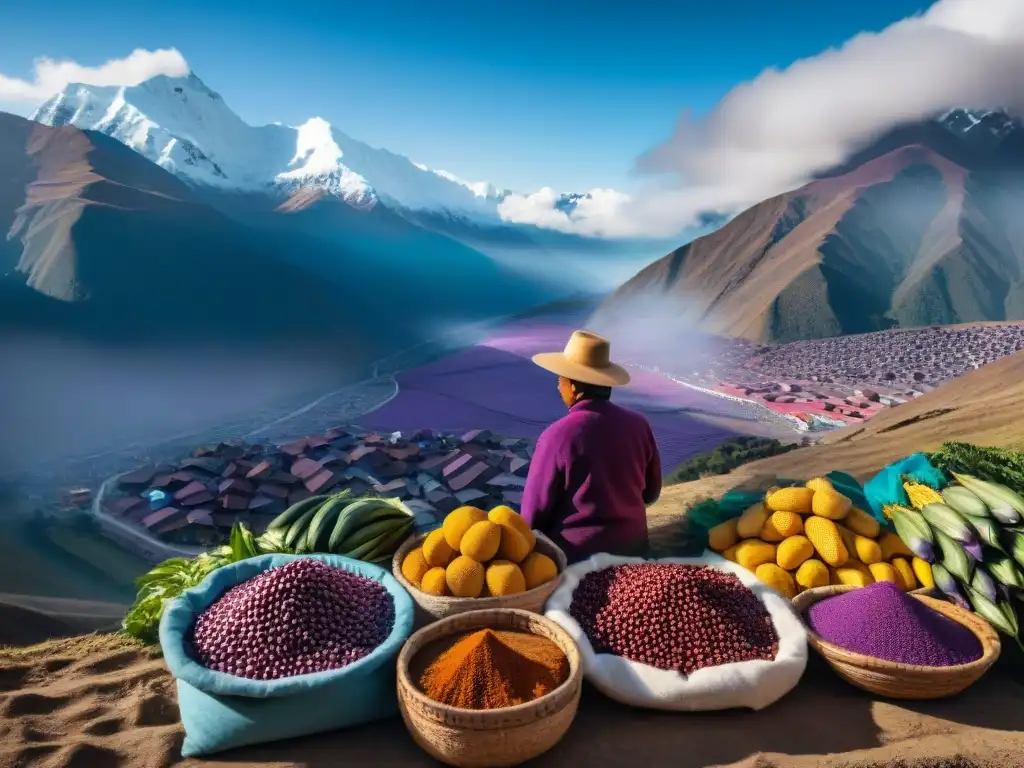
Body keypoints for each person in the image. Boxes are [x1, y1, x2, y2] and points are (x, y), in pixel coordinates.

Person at [520, 329, 661, 563]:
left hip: (578, 557)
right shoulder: (639, 424)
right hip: (635, 548)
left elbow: (534, 515)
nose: (558, 387)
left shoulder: (557, 435)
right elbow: (651, 492)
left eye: (560, 380)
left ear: (574, 387)